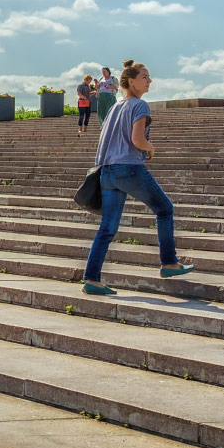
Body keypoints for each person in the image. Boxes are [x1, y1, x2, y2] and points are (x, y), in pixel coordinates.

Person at [82, 59, 194, 294]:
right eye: (144, 77)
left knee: (107, 228)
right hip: (129, 168)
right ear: (130, 82)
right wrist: (150, 149)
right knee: (164, 210)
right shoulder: (139, 106)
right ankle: (169, 263)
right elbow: (137, 140)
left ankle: (91, 279)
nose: (149, 80)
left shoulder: (114, 107)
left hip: (107, 172)